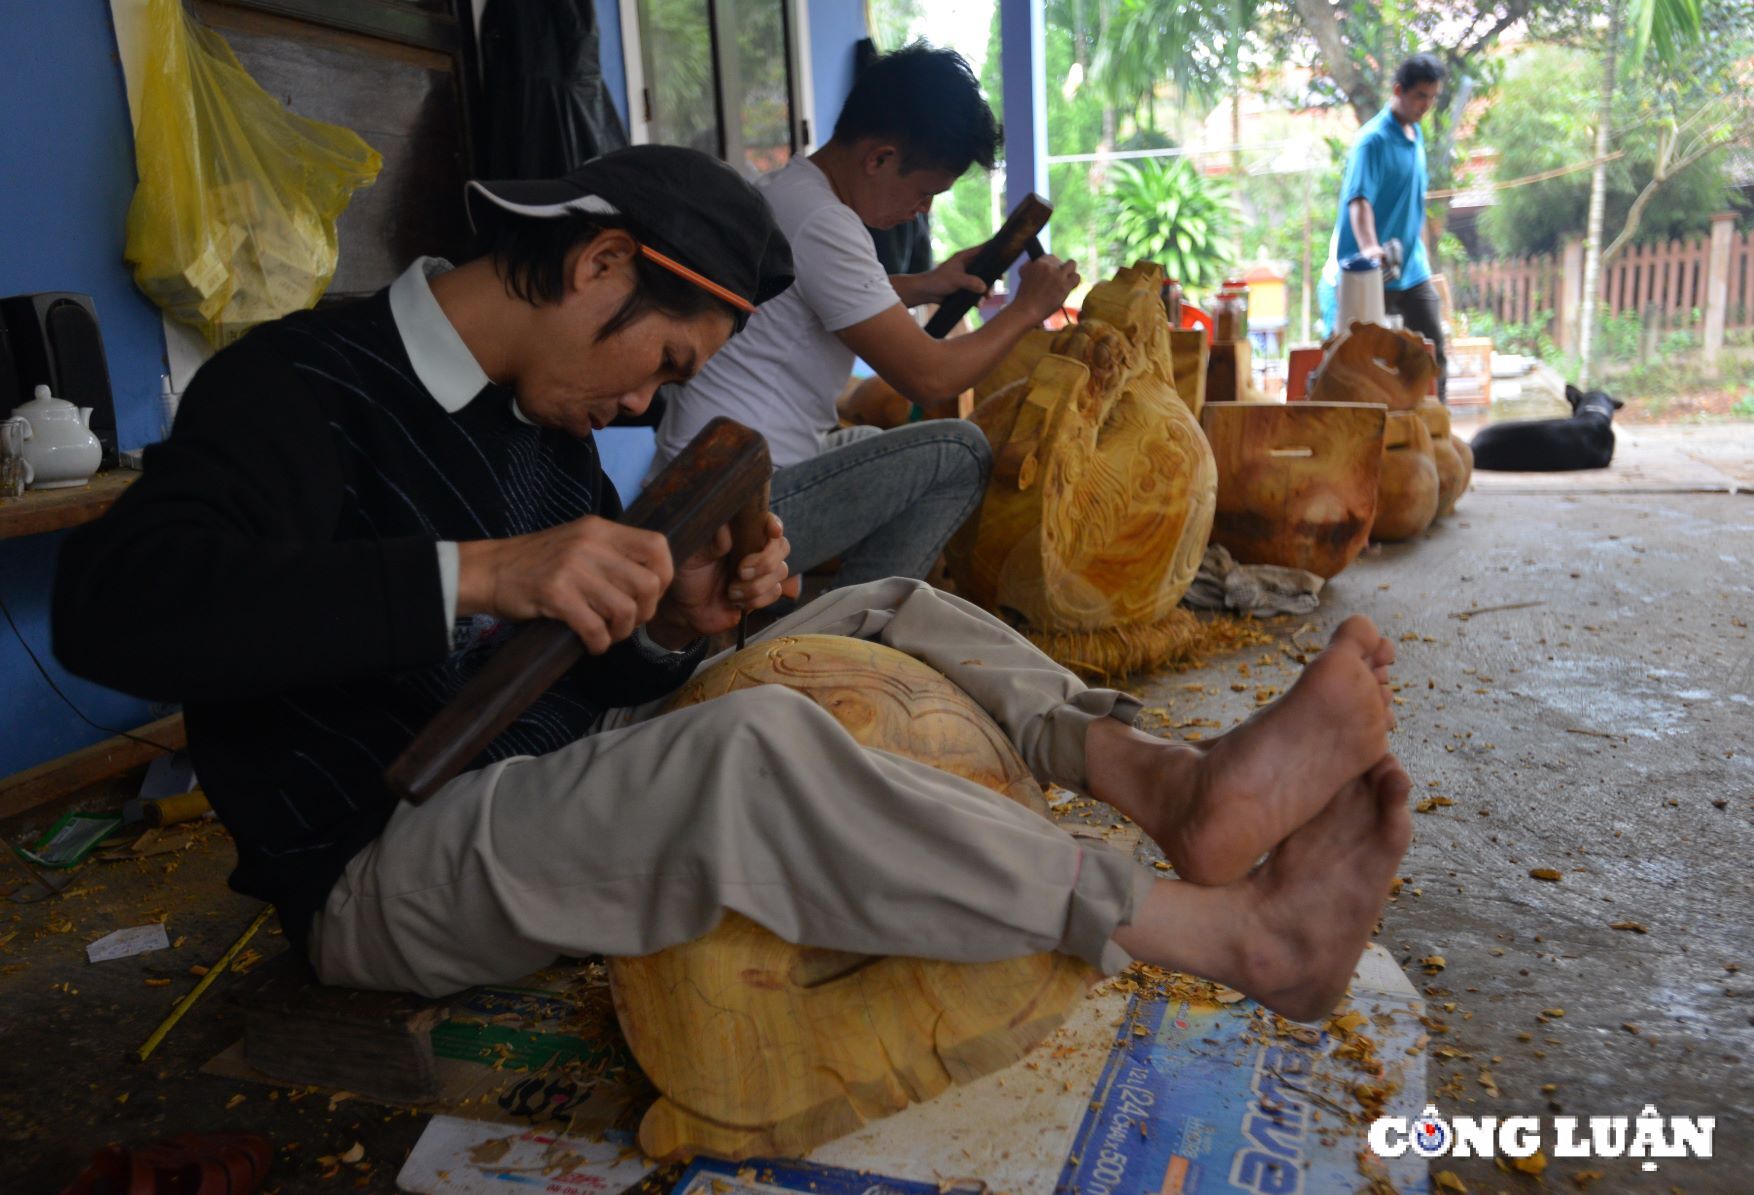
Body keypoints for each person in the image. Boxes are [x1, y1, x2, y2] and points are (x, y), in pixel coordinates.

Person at [54, 145, 1411, 1025]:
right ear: (594, 267)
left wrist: (673, 624)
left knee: (883, 605)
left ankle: (1166, 782)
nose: (651, 399)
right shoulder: (297, 386)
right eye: (661, 359)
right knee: (747, 749)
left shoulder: (544, 420)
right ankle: (1230, 936)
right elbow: (115, 607)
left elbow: (579, 664)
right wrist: (480, 572)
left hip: (547, 765)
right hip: (378, 862)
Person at [648, 42, 1080, 590]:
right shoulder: (825, 223)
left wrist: (924, 284)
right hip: (729, 505)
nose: (922, 210)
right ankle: (859, 628)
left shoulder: (791, 192)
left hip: (718, 473)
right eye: (925, 192)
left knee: (868, 441)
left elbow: (806, 303)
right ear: (879, 158)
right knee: (958, 451)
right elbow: (929, 376)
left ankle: (834, 605)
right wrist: (1026, 310)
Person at [1332, 52, 1449, 401]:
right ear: (1398, 90)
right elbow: (1359, 201)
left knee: (1432, 351)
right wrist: (1370, 247)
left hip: (1412, 269)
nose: (1426, 105)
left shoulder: (1415, 134)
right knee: (1367, 362)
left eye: (1432, 97)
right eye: (1420, 96)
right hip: (1370, 276)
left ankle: (1435, 429)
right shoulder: (1372, 142)